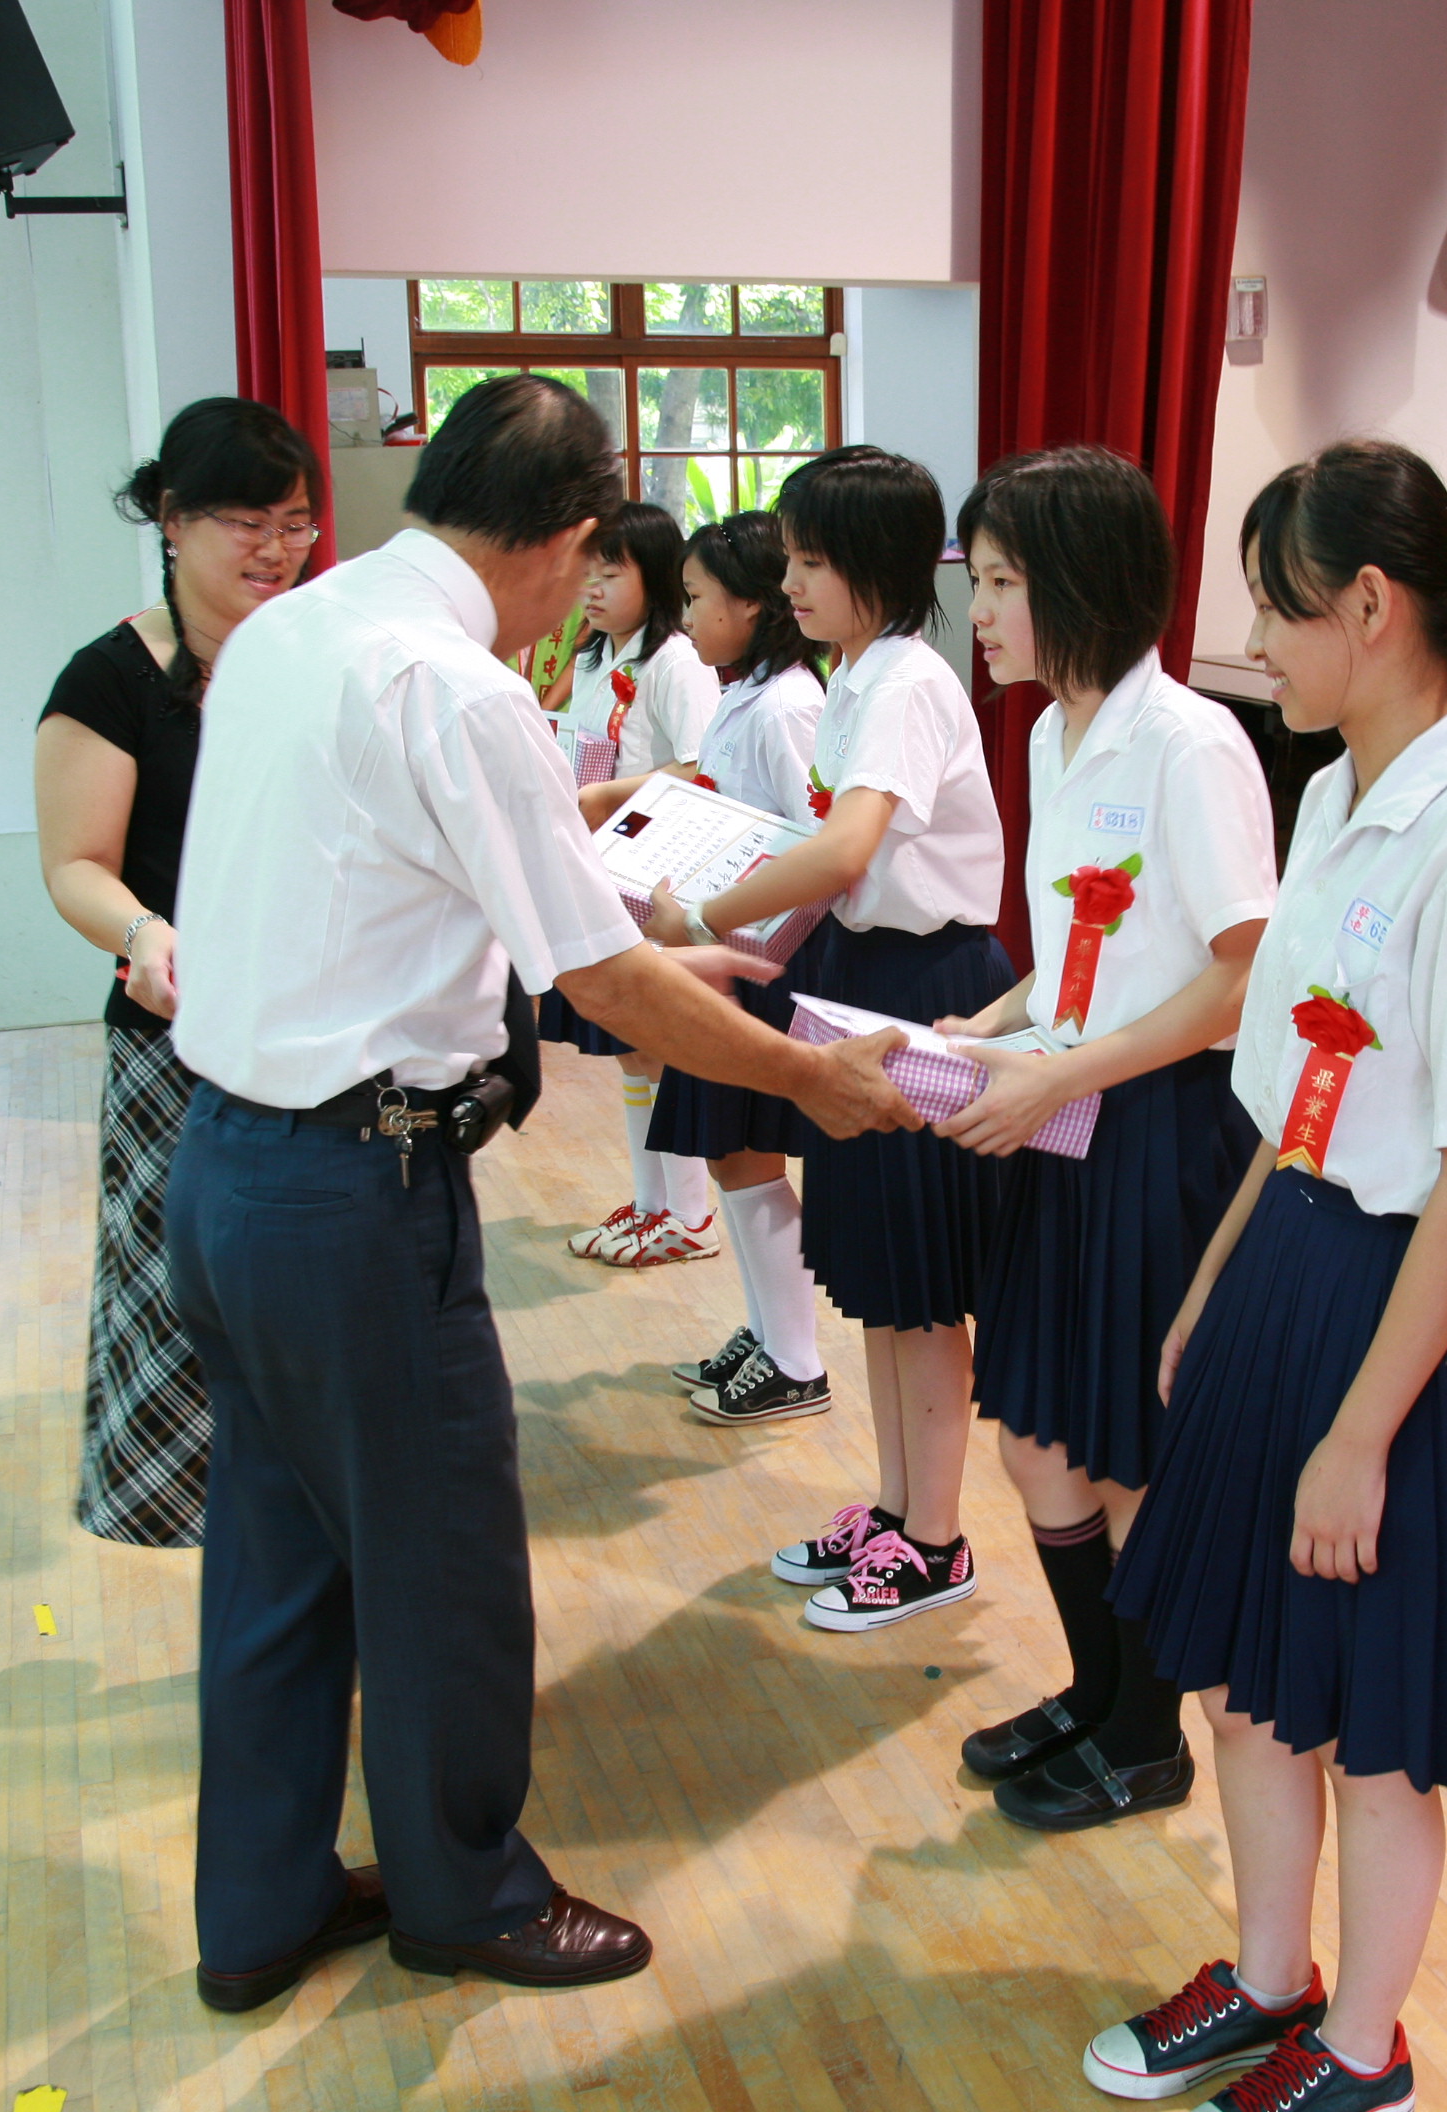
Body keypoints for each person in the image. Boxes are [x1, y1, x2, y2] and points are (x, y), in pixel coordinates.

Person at [159, 374, 912, 2015]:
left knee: (276, 1560)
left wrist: (649, 964)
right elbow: (603, 982)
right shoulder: (458, 685)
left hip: (221, 1167)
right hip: (355, 1192)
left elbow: (389, 898)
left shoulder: (293, 632)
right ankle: (463, 1893)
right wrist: (810, 1079)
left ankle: (260, 1908)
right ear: (570, 539)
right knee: (438, 1559)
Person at [1083, 440, 1447, 2111]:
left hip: (1407, 1306)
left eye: (1274, 608)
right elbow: (1299, 1089)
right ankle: (1266, 1978)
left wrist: (1362, 1434)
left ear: (1370, 606)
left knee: (1370, 1726)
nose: (1254, 642)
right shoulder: (1329, 795)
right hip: (1291, 1256)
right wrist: (1213, 1283)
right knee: (1246, 1683)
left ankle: (1362, 2050)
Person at [928, 447, 1273, 1832]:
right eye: (979, 582)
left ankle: (1145, 1735)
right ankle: (1097, 1689)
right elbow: (1085, 955)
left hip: (1157, 1127)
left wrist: (1061, 1065)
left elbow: (1242, 977)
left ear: (1080, 584)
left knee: (1126, 1451)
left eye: (1002, 583)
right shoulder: (1046, 735)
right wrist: (979, 1026)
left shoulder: (1191, 745)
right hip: (1060, 1106)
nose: (980, 614)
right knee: (1040, 1438)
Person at [645, 444, 1010, 1634]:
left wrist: (707, 916)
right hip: (865, 975)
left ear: (875, 565)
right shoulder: (856, 675)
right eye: (791, 561)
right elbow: (831, 865)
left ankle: (937, 1538)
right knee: (884, 1285)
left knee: (924, 1290)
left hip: (927, 985)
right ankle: (898, 1510)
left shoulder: (904, 681)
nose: (790, 583)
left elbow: (846, 851)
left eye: (811, 562)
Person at [33, 397, 322, 1546]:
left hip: (322, 1032)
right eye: (246, 522)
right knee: (175, 1275)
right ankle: (180, 1508)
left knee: (309, 1278)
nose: (275, 549)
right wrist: (145, 934)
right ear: (171, 519)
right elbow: (76, 866)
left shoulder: (318, 658)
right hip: (179, 1031)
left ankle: (312, 1498)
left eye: (294, 523)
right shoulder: (110, 679)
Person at [640, 511, 836, 1426]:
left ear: (752, 605)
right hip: (723, 948)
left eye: (697, 598)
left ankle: (796, 1358)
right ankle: (766, 1333)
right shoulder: (744, 692)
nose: (685, 619)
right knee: (729, 1152)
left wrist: (741, 941)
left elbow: (817, 845)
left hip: (761, 962)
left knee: (747, 1151)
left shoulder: (791, 704)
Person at [546, 501, 723, 1269]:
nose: (591, 587)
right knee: (626, 1045)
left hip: (654, 871)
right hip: (599, 868)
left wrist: (603, 796)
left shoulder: (676, 660)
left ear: (655, 577)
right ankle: (650, 1203)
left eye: (609, 573)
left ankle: (688, 1211)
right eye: (585, 571)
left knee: (658, 1040)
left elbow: (700, 764)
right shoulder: (592, 657)